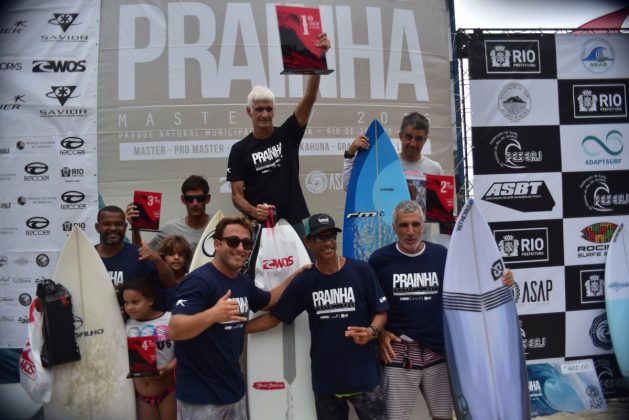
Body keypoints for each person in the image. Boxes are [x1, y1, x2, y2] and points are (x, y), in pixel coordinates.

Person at [368, 200, 513, 420]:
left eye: (415, 224)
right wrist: (380, 333)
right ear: (394, 227)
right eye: (404, 225)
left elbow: (470, 283)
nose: (410, 231)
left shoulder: (441, 255)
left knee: (443, 415)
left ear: (423, 225)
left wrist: (501, 278)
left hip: (438, 350)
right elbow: (368, 302)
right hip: (399, 351)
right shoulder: (379, 260)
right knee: (395, 417)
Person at [246, 213, 389, 420]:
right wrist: (238, 329)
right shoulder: (305, 281)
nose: (328, 242)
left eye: (331, 236)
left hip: (364, 378)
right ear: (308, 242)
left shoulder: (361, 271)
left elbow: (381, 312)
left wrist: (372, 331)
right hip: (326, 382)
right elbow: (275, 317)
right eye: (320, 237)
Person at [168, 215, 305, 420]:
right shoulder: (199, 281)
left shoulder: (242, 281)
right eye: (233, 241)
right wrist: (213, 315)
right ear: (216, 244)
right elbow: (175, 329)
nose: (240, 248)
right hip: (201, 398)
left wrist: (298, 275)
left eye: (246, 243)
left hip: (234, 392)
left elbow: (269, 300)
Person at [226, 33, 330, 238]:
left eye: (268, 109)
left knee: (304, 268)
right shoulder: (239, 149)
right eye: (258, 109)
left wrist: (319, 57)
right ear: (249, 112)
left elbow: (309, 98)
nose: (264, 114)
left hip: (294, 222)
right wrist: (253, 211)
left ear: (274, 110)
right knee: (261, 271)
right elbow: (237, 196)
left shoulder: (288, 134)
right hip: (260, 226)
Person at [342, 112, 445, 241]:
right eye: (408, 137)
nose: (413, 143)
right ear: (400, 136)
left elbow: (442, 216)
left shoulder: (435, 169)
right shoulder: (384, 165)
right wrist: (350, 155)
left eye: (418, 138)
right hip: (389, 242)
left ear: (425, 140)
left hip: (421, 244)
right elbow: (348, 187)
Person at [95, 206, 175, 301]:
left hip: (134, 316)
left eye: (118, 224)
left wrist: (158, 260)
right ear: (97, 227)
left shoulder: (140, 255)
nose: (113, 228)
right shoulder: (86, 255)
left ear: (125, 227)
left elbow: (170, 284)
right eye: (107, 224)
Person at [123, 278, 176, 420]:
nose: (130, 307)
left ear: (150, 300)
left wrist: (170, 368)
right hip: (141, 396)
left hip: (168, 391)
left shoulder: (170, 319)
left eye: (135, 302)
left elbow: (186, 351)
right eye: (126, 303)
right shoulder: (125, 324)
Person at [127, 175, 212, 256]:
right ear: (183, 199)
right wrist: (135, 227)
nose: (195, 203)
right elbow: (141, 254)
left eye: (200, 198)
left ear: (207, 199)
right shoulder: (170, 229)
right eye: (189, 199)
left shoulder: (218, 225)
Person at [157, 235, 192, 311]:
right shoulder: (156, 278)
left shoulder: (192, 278)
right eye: (171, 254)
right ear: (163, 257)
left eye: (181, 254)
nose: (176, 257)